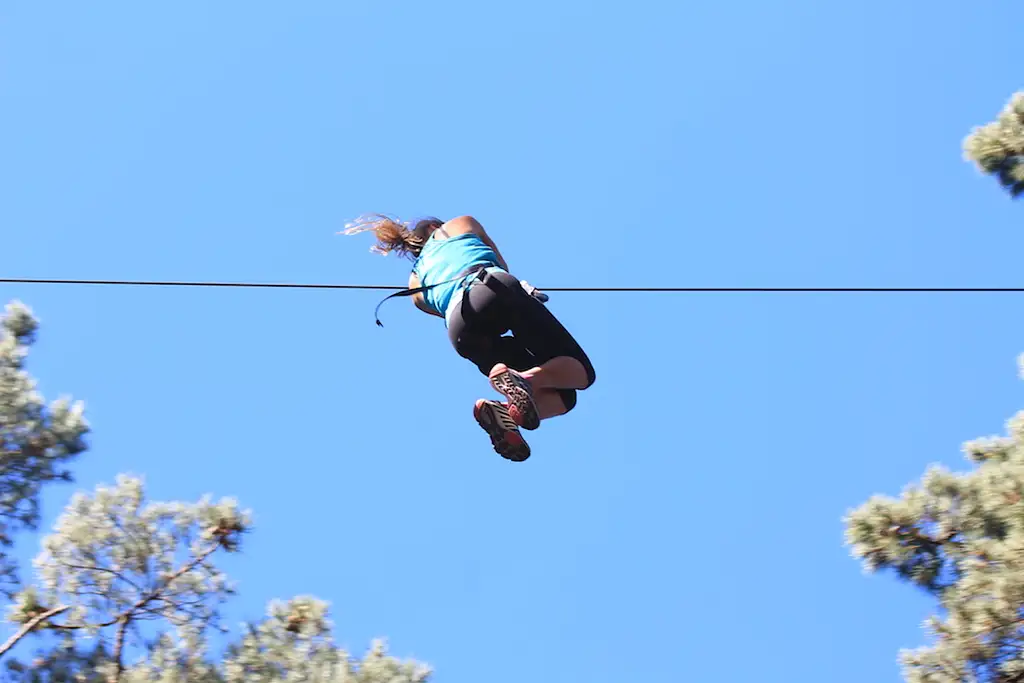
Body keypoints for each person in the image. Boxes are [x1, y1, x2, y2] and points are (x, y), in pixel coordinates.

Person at [343, 214, 596, 462]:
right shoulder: (459, 223)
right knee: (581, 372)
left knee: (565, 396)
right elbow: (501, 264)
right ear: (434, 226)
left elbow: (436, 308)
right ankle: (525, 380)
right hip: (489, 285)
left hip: (460, 328)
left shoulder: (414, 283)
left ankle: (506, 412)